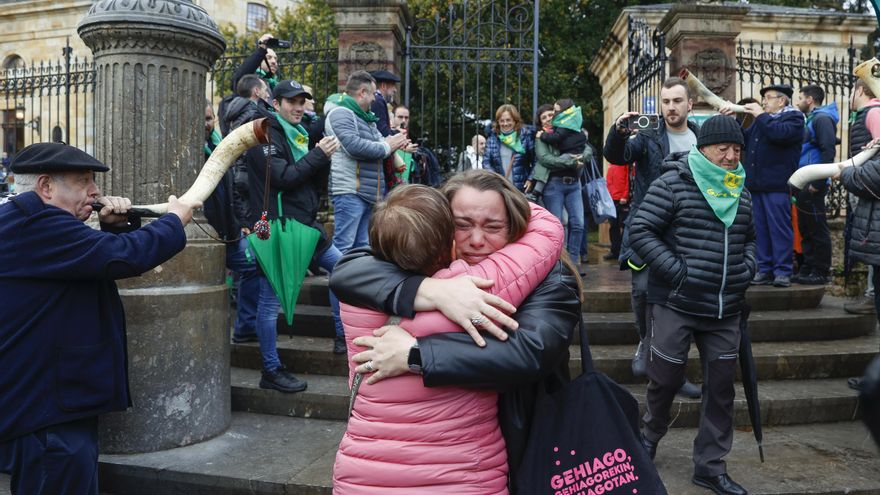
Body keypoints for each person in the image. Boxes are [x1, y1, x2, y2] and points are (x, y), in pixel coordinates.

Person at [329, 170, 583, 492]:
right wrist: (431, 291)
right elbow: (347, 269)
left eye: (493, 226)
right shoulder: (413, 265)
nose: (476, 240)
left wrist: (416, 354)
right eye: (463, 225)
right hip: (463, 461)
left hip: (524, 439)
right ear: (441, 227)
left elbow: (530, 351)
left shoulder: (552, 276)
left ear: (516, 226)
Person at [0, 142, 200, 495]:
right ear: (46, 187)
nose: (95, 192)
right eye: (83, 181)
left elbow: (91, 265)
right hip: (47, 411)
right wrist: (174, 220)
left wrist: (114, 228)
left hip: (53, 403)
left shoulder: (32, 220)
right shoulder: (36, 223)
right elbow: (124, 257)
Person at [630, 115, 755, 495]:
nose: (731, 156)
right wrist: (677, 271)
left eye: (737, 149)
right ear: (704, 149)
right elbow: (640, 230)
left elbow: (750, 237)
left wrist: (747, 268)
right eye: (724, 148)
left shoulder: (741, 191)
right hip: (676, 302)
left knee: (720, 390)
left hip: (725, 309)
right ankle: (649, 436)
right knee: (665, 379)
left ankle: (710, 466)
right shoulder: (673, 182)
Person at [603, 76, 702, 398]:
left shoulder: (702, 140)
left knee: (682, 302)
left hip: (688, 232)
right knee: (643, 289)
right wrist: (618, 132)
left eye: (677, 101)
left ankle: (675, 369)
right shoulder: (647, 136)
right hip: (647, 227)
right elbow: (618, 156)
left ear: (690, 104)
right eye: (666, 102)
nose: (671, 107)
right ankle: (645, 344)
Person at [244, 79, 346, 391]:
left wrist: (319, 157)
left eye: (303, 101)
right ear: (276, 104)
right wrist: (320, 155)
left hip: (303, 227)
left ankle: (346, 339)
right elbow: (284, 177)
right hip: (274, 229)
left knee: (346, 272)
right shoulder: (264, 134)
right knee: (268, 300)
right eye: (292, 102)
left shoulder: (298, 133)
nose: (299, 107)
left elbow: (306, 181)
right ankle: (271, 370)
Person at [722, 83, 804, 288]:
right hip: (756, 185)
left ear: (782, 100)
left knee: (779, 229)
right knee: (760, 230)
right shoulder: (763, 120)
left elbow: (779, 134)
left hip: (777, 185)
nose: (764, 102)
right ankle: (764, 268)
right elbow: (744, 140)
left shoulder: (793, 118)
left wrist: (760, 115)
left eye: (768, 97)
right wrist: (733, 121)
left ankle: (783, 271)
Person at [325, 71, 409, 254]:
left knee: (362, 248)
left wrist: (389, 145)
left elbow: (379, 141)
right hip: (350, 191)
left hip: (367, 192)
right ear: (362, 92)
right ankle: (338, 283)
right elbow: (355, 147)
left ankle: (355, 283)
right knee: (344, 247)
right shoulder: (340, 113)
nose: (374, 99)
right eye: (372, 94)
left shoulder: (366, 117)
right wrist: (388, 146)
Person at [527, 102, 585, 261]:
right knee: (558, 226)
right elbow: (545, 159)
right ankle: (560, 263)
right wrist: (571, 162)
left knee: (578, 224)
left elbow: (586, 147)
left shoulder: (568, 129)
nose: (547, 119)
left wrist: (584, 155)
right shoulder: (542, 136)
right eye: (543, 117)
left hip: (574, 183)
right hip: (554, 184)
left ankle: (573, 263)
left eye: (550, 115)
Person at [794, 84, 837, 285]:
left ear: (810, 99)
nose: (798, 101)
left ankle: (821, 271)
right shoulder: (813, 119)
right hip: (805, 182)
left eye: (800, 97)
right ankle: (809, 268)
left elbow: (828, 151)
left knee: (817, 228)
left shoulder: (822, 119)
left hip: (813, 183)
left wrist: (818, 183)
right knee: (807, 227)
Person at [844, 79, 880, 316]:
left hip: (868, 185)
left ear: (859, 90)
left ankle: (870, 295)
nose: (848, 97)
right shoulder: (866, 114)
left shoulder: (874, 112)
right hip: (862, 183)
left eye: (851, 91)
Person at [484, 104, 535, 191]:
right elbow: (486, 162)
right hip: (501, 188)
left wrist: (531, 179)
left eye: (508, 120)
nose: (505, 123)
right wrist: (496, 179)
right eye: (501, 121)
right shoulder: (492, 138)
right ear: (498, 122)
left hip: (521, 188)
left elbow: (536, 160)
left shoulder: (525, 136)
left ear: (515, 120)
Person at [604, 162, 630, 261]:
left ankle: (624, 251)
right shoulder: (612, 164)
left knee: (623, 225)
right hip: (612, 199)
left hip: (622, 200)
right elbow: (609, 181)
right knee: (613, 226)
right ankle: (615, 251)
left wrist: (625, 195)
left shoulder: (625, 163)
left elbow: (628, 179)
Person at [369, 70, 401, 138]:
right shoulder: (378, 101)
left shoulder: (377, 99)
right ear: (384, 86)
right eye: (393, 86)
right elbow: (383, 132)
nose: (395, 90)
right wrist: (398, 133)